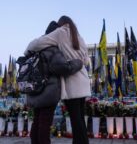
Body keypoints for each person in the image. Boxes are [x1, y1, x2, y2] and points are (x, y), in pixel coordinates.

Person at [24, 15, 91, 144]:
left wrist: (27, 50)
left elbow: (38, 43)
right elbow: (86, 60)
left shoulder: (60, 32)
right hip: (82, 81)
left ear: (61, 24)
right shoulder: (78, 36)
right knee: (80, 120)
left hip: (72, 83)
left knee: (76, 121)